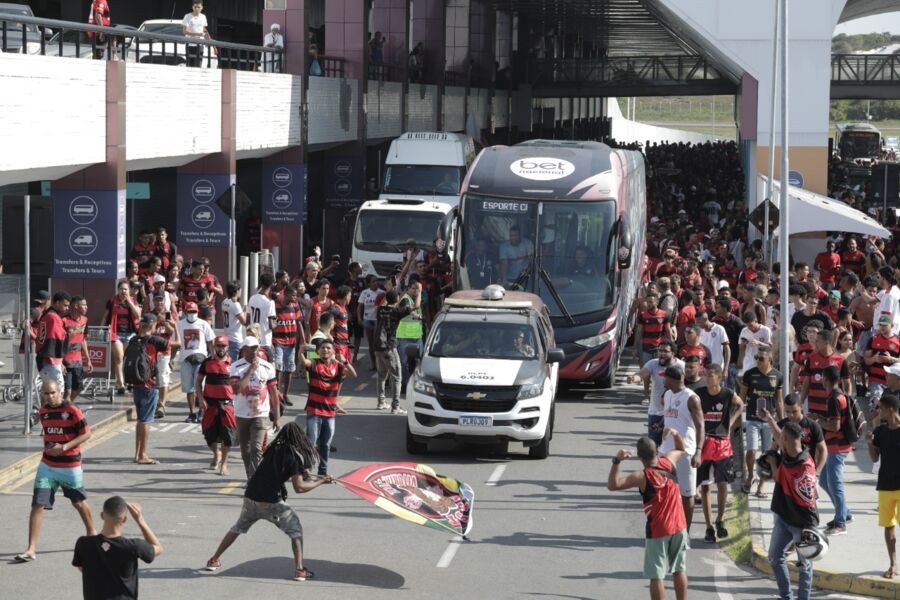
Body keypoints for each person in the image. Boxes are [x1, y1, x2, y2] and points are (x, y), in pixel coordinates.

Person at [203, 423, 334, 581]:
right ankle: (300, 570)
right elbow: (299, 487)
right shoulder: (295, 456)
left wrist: (310, 475)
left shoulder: (272, 450)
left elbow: (296, 473)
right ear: (300, 438)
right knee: (295, 530)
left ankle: (213, 559)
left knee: (237, 528)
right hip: (272, 502)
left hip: (251, 496)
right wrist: (321, 482)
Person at [14, 380, 95, 563]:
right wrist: (51, 448)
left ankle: (92, 534)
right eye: (45, 393)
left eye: (52, 393)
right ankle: (31, 549)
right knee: (37, 505)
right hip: (47, 466)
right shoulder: (43, 411)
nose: (49, 397)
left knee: (79, 502)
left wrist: (64, 447)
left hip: (69, 467)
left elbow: (87, 434)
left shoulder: (72, 410)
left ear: (59, 391)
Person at [607, 429, 689, 600]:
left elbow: (613, 485)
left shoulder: (641, 476)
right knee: (679, 569)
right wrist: (675, 435)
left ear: (639, 456)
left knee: (656, 576)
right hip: (680, 526)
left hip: (658, 530)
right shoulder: (669, 462)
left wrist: (616, 461)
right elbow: (681, 449)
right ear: (657, 451)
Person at [765, 421, 819, 600]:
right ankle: (785, 596)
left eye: (781, 437)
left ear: (787, 439)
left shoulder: (805, 466)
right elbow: (779, 434)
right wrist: (768, 418)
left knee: (805, 564)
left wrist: (809, 530)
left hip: (802, 523)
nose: (779, 439)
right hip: (784, 518)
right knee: (775, 557)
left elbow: (809, 499)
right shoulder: (788, 450)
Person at [72, 497, 163, 600]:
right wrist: (140, 520)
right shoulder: (133, 546)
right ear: (124, 519)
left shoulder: (83, 543)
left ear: (102, 515)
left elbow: (81, 568)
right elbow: (158, 548)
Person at [696, 364, 743, 543]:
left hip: (722, 442)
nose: (707, 378)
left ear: (719, 377)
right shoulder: (699, 394)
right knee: (706, 486)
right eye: (705, 375)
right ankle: (708, 526)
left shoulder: (727, 394)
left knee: (722, 483)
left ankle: (720, 519)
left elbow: (740, 405)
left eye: (710, 375)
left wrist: (730, 421)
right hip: (705, 441)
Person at [659, 365, 705, 536]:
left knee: (687, 495)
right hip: (666, 451)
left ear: (674, 379)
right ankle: (669, 529)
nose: (664, 380)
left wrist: (699, 451)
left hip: (686, 452)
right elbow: (672, 418)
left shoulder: (691, 398)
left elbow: (701, 426)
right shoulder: (667, 395)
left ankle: (684, 534)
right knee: (666, 493)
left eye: (666, 377)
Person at [300, 339, 356, 476]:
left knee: (325, 444)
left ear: (333, 351)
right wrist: (301, 351)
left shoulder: (338, 367)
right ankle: (306, 470)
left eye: (328, 348)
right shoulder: (313, 364)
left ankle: (323, 471)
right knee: (311, 442)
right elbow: (303, 362)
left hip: (330, 413)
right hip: (314, 411)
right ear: (318, 351)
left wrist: (345, 361)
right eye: (323, 348)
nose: (325, 350)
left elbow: (353, 374)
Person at [811, 364, 853, 535]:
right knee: (824, 482)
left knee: (835, 485)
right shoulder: (838, 396)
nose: (820, 380)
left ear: (827, 379)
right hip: (833, 446)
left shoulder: (834, 399)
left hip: (837, 446)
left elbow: (835, 426)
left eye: (822, 377)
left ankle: (841, 522)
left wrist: (817, 422)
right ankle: (844, 512)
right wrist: (821, 418)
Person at [230, 336, 280, 479]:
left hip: (260, 414)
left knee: (256, 448)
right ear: (244, 350)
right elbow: (236, 390)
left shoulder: (267, 367)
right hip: (242, 414)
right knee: (245, 451)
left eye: (255, 348)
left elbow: (273, 393)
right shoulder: (235, 367)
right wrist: (251, 370)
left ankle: (254, 480)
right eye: (250, 348)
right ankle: (250, 475)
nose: (253, 351)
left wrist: (276, 417)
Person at [739, 347, 783, 497]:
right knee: (751, 450)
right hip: (752, 418)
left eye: (761, 358)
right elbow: (741, 398)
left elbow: (779, 400)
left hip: (769, 421)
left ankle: (762, 485)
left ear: (769, 359)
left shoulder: (777, 375)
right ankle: (750, 475)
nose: (757, 360)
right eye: (756, 357)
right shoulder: (749, 374)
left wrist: (781, 422)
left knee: (767, 454)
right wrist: (738, 419)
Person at [867, 394, 900, 579]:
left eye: (881, 408)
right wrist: (870, 443)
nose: (878, 412)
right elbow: (874, 458)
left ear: (891, 410)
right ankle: (893, 564)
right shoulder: (880, 432)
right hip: (886, 486)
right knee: (889, 527)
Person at [628, 341, 684, 445]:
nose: (661, 354)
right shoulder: (653, 363)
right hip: (655, 412)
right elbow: (643, 373)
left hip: (675, 414)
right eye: (659, 351)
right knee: (653, 446)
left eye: (665, 351)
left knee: (672, 446)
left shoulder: (681, 366)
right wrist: (634, 378)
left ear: (673, 353)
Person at [131, 314, 169, 465]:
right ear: (152, 325)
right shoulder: (154, 340)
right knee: (146, 421)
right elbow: (176, 343)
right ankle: (143, 455)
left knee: (140, 419)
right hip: (149, 384)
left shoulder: (134, 339)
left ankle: (137, 453)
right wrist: (173, 328)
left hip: (136, 383)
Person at [197, 336, 237, 476]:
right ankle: (216, 454)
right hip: (210, 404)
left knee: (228, 436)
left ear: (227, 347)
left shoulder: (233, 364)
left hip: (227, 405)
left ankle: (224, 464)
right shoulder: (207, 362)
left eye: (223, 346)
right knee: (208, 434)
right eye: (218, 346)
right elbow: (198, 381)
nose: (221, 348)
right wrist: (200, 398)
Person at [373, 289, 411, 412]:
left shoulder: (380, 310)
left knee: (381, 375)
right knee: (397, 377)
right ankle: (396, 406)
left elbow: (383, 303)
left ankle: (381, 402)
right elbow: (413, 307)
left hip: (378, 347)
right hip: (389, 348)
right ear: (397, 299)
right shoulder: (397, 311)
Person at [177, 301, 215, 423]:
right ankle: (192, 412)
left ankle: (202, 411)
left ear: (197, 312)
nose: (192, 314)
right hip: (186, 360)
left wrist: (213, 356)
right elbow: (177, 342)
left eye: (194, 312)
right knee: (189, 388)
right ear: (185, 312)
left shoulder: (203, 324)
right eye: (190, 312)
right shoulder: (180, 325)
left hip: (200, 359)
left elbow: (210, 340)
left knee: (201, 386)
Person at [104, 280, 141, 395]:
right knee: (119, 357)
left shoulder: (133, 300)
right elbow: (105, 316)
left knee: (126, 359)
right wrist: (102, 329)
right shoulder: (112, 301)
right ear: (118, 290)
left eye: (125, 289)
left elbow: (138, 315)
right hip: (116, 333)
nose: (123, 291)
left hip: (130, 334)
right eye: (121, 289)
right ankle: (120, 384)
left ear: (129, 290)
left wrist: (129, 301)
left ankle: (124, 380)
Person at [272, 285, 305, 408]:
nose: (296, 297)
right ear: (286, 294)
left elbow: (299, 323)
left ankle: (285, 395)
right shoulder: (275, 306)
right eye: (294, 295)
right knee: (278, 369)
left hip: (291, 343)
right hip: (278, 342)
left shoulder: (295, 307)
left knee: (289, 369)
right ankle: (277, 394)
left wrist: (303, 339)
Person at [149, 295, 179, 420]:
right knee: (151, 378)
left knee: (163, 377)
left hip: (164, 351)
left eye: (161, 300)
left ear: (164, 301)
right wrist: (156, 321)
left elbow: (173, 333)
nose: (159, 302)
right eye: (157, 300)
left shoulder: (168, 314)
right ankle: (153, 403)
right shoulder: (150, 315)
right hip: (151, 351)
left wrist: (166, 322)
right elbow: (148, 332)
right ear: (153, 301)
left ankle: (162, 404)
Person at [37, 291, 71, 390]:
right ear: (57, 303)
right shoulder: (53, 317)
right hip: (51, 360)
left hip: (45, 358)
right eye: (65, 305)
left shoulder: (47, 315)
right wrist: (59, 361)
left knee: (48, 389)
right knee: (56, 390)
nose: (67, 308)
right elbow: (54, 341)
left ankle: (43, 406)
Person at [396, 280, 424, 393]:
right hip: (404, 336)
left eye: (418, 289)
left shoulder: (413, 298)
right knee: (404, 363)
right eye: (414, 288)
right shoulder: (405, 299)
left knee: (418, 362)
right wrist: (420, 292)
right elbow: (415, 308)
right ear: (408, 289)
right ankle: (404, 385)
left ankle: (414, 385)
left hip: (417, 336)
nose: (416, 291)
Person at [63, 296, 92, 402]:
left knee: (78, 387)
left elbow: (83, 340)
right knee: (67, 391)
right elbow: (60, 340)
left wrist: (88, 359)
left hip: (78, 361)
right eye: (84, 305)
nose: (86, 307)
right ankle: (65, 408)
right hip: (65, 360)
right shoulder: (64, 320)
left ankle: (66, 406)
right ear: (75, 306)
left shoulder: (85, 320)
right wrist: (74, 332)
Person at [358, 275, 381, 371]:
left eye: (376, 281)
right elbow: (360, 306)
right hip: (367, 319)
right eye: (373, 281)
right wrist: (359, 318)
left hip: (377, 320)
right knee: (370, 343)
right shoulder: (364, 293)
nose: (375, 283)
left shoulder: (382, 293)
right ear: (368, 284)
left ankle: (380, 363)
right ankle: (373, 362)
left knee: (377, 342)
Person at [221, 281, 246, 362]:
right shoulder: (235, 304)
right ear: (236, 291)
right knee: (234, 365)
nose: (241, 291)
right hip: (235, 339)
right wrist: (245, 311)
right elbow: (244, 322)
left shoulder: (224, 301)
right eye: (240, 289)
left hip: (227, 336)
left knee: (228, 362)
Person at [183, 0, 210, 68]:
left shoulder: (203, 17)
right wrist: (198, 34)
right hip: (190, 44)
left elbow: (204, 29)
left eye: (198, 7)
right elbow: (185, 31)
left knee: (199, 65)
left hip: (200, 44)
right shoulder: (187, 16)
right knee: (190, 66)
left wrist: (208, 38)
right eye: (195, 7)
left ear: (202, 7)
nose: (197, 9)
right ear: (192, 7)